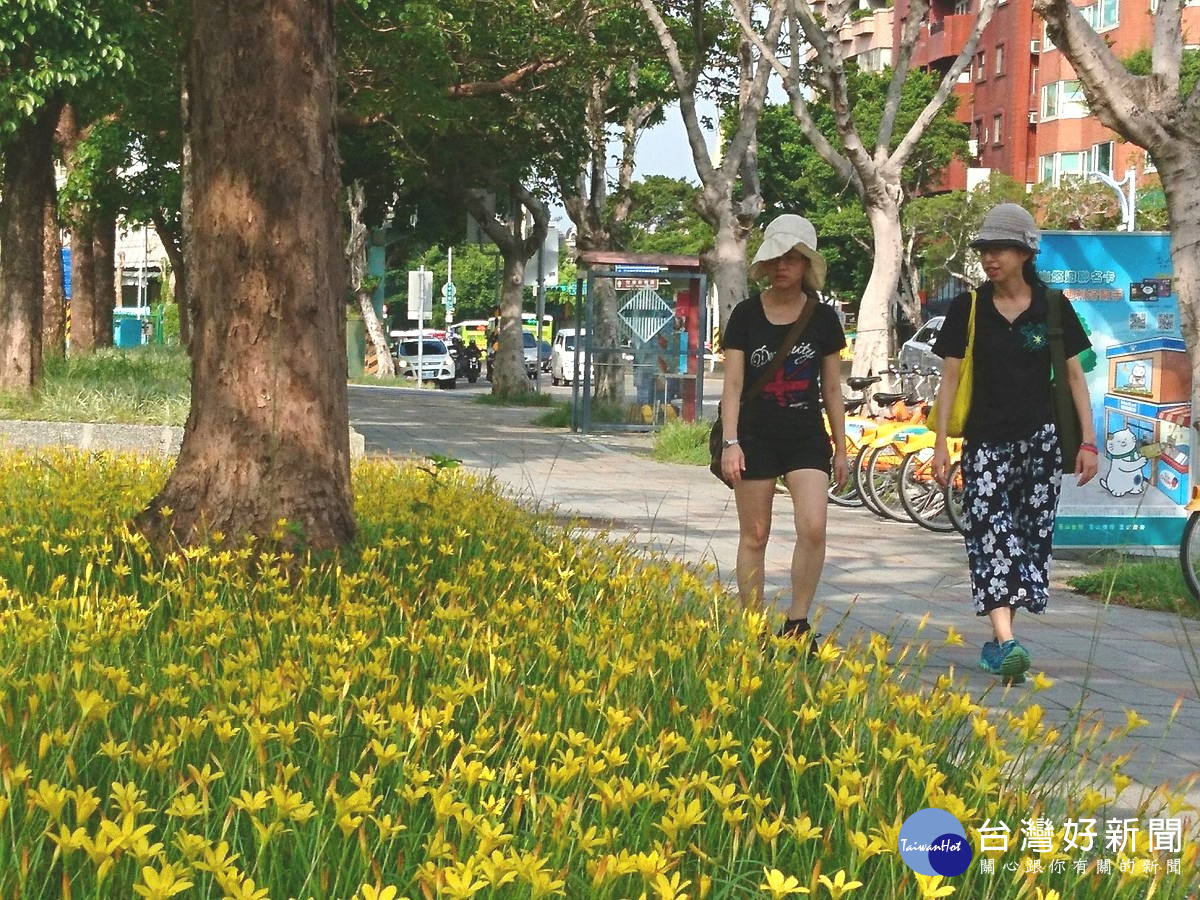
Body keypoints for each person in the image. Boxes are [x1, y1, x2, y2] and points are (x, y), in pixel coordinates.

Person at [930, 203, 1099, 682]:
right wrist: (941, 443)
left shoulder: (1051, 305)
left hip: (1040, 443)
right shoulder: (969, 307)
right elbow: (950, 378)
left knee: (1028, 541)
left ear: (1025, 252)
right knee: (990, 534)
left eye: (1000, 248)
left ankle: (1001, 642)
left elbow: (1073, 376)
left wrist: (1089, 441)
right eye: (984, 248)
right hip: (985, 442)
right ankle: (1007, 641)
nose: (990, 258)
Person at [719, 214, 848, 643]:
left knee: (813, 526)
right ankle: (753, 628)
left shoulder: (824, 319)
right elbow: (733, 384)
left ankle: (797, 622)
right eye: (776, 257)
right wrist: (731, 442)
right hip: (754, 436)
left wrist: (841, 447)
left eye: (793, 259)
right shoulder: (746, 315)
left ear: (807, 265)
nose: (783, 267)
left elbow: (831, 387)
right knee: (755, 534)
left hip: (806, 435)